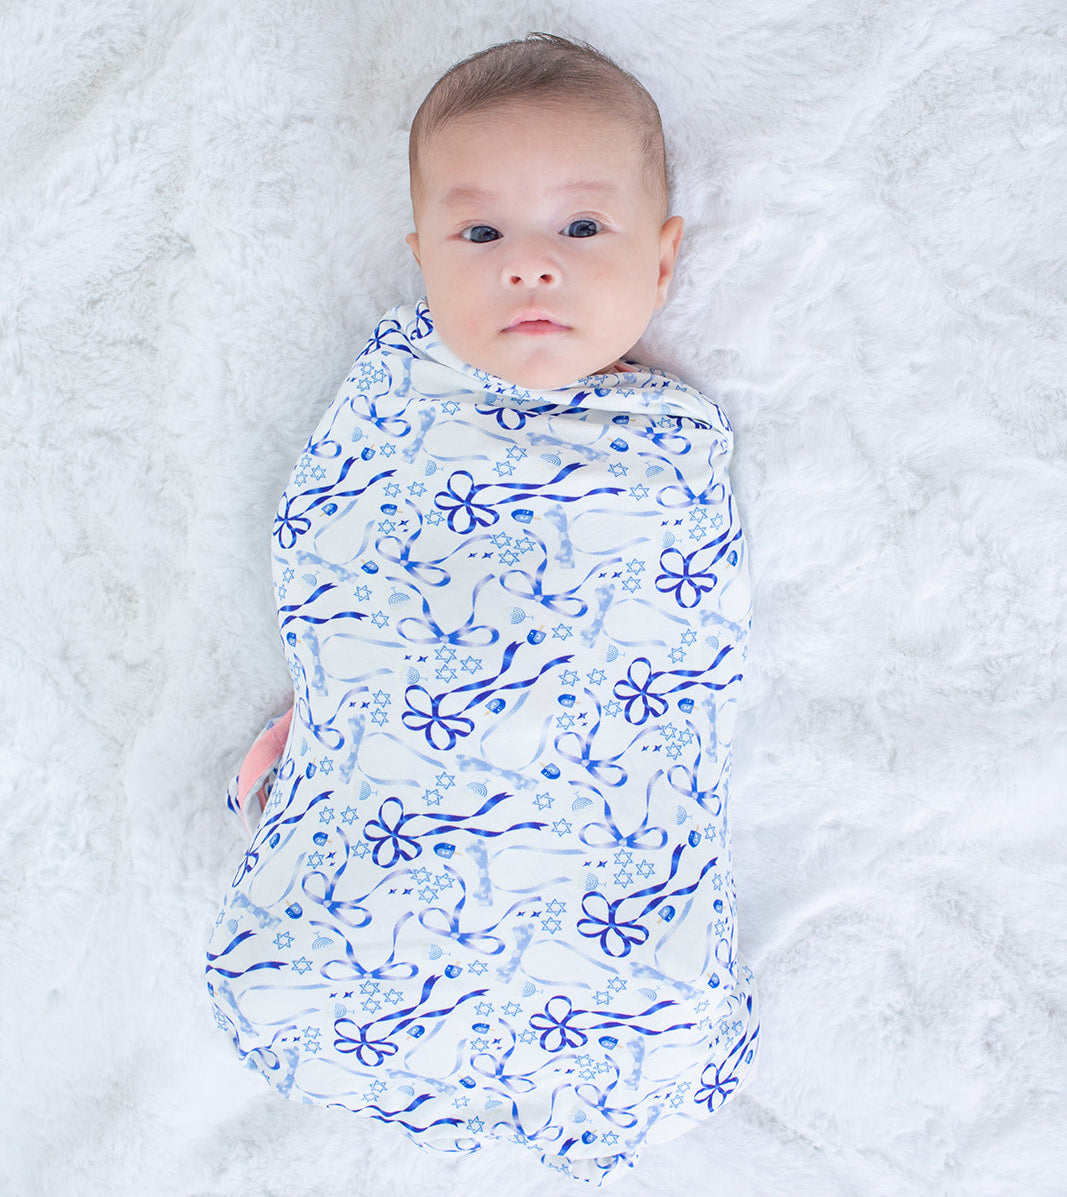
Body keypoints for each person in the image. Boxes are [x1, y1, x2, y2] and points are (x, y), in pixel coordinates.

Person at [206, 33, 758, 1185]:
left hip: (592, 848)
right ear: (420, 257)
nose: (531, 267)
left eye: (580, 227)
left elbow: (676, 657)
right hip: (392, 800)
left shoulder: (663, 450)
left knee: (622, 956)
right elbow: (334, 552)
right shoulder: (396, 401)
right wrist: (341, 712)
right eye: (480, 235)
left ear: (662, 261)